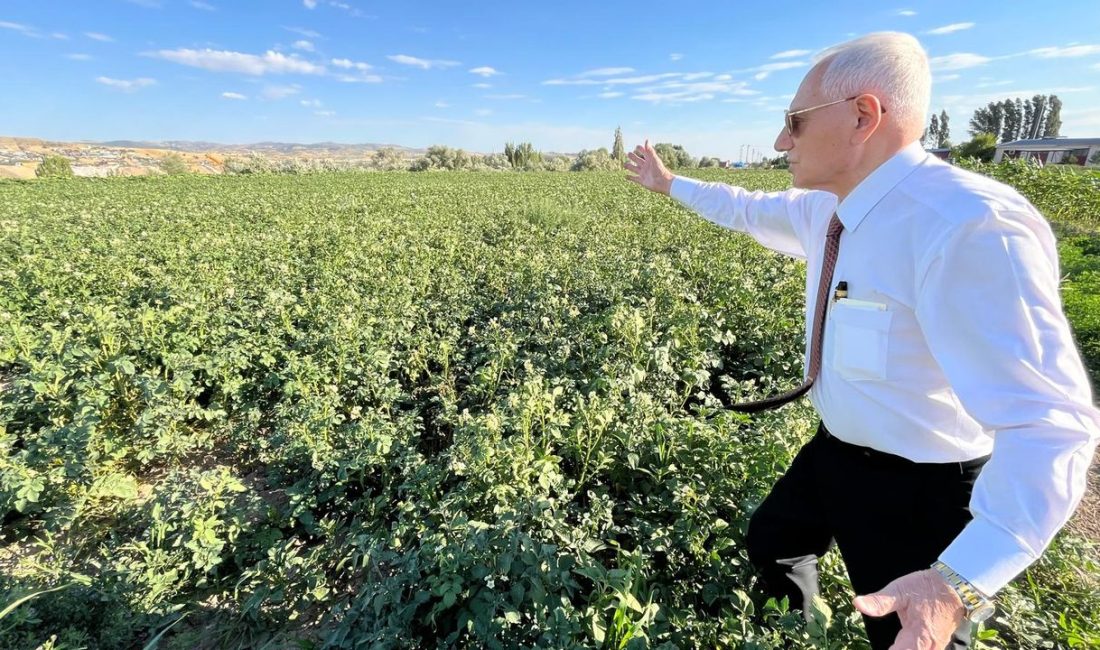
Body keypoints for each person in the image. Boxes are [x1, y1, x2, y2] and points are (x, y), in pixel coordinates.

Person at [624, 31, 1100, 650]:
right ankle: (805, 630)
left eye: (794, 121)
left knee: (909, 632)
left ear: (862, 116)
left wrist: (958, 580)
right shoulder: (828, 209)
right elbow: (743, 207)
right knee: (775, 542)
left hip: (924, 490)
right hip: (838, 451)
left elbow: (1049, 423)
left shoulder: (967, 225)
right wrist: (668, 184)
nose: (781, 141)